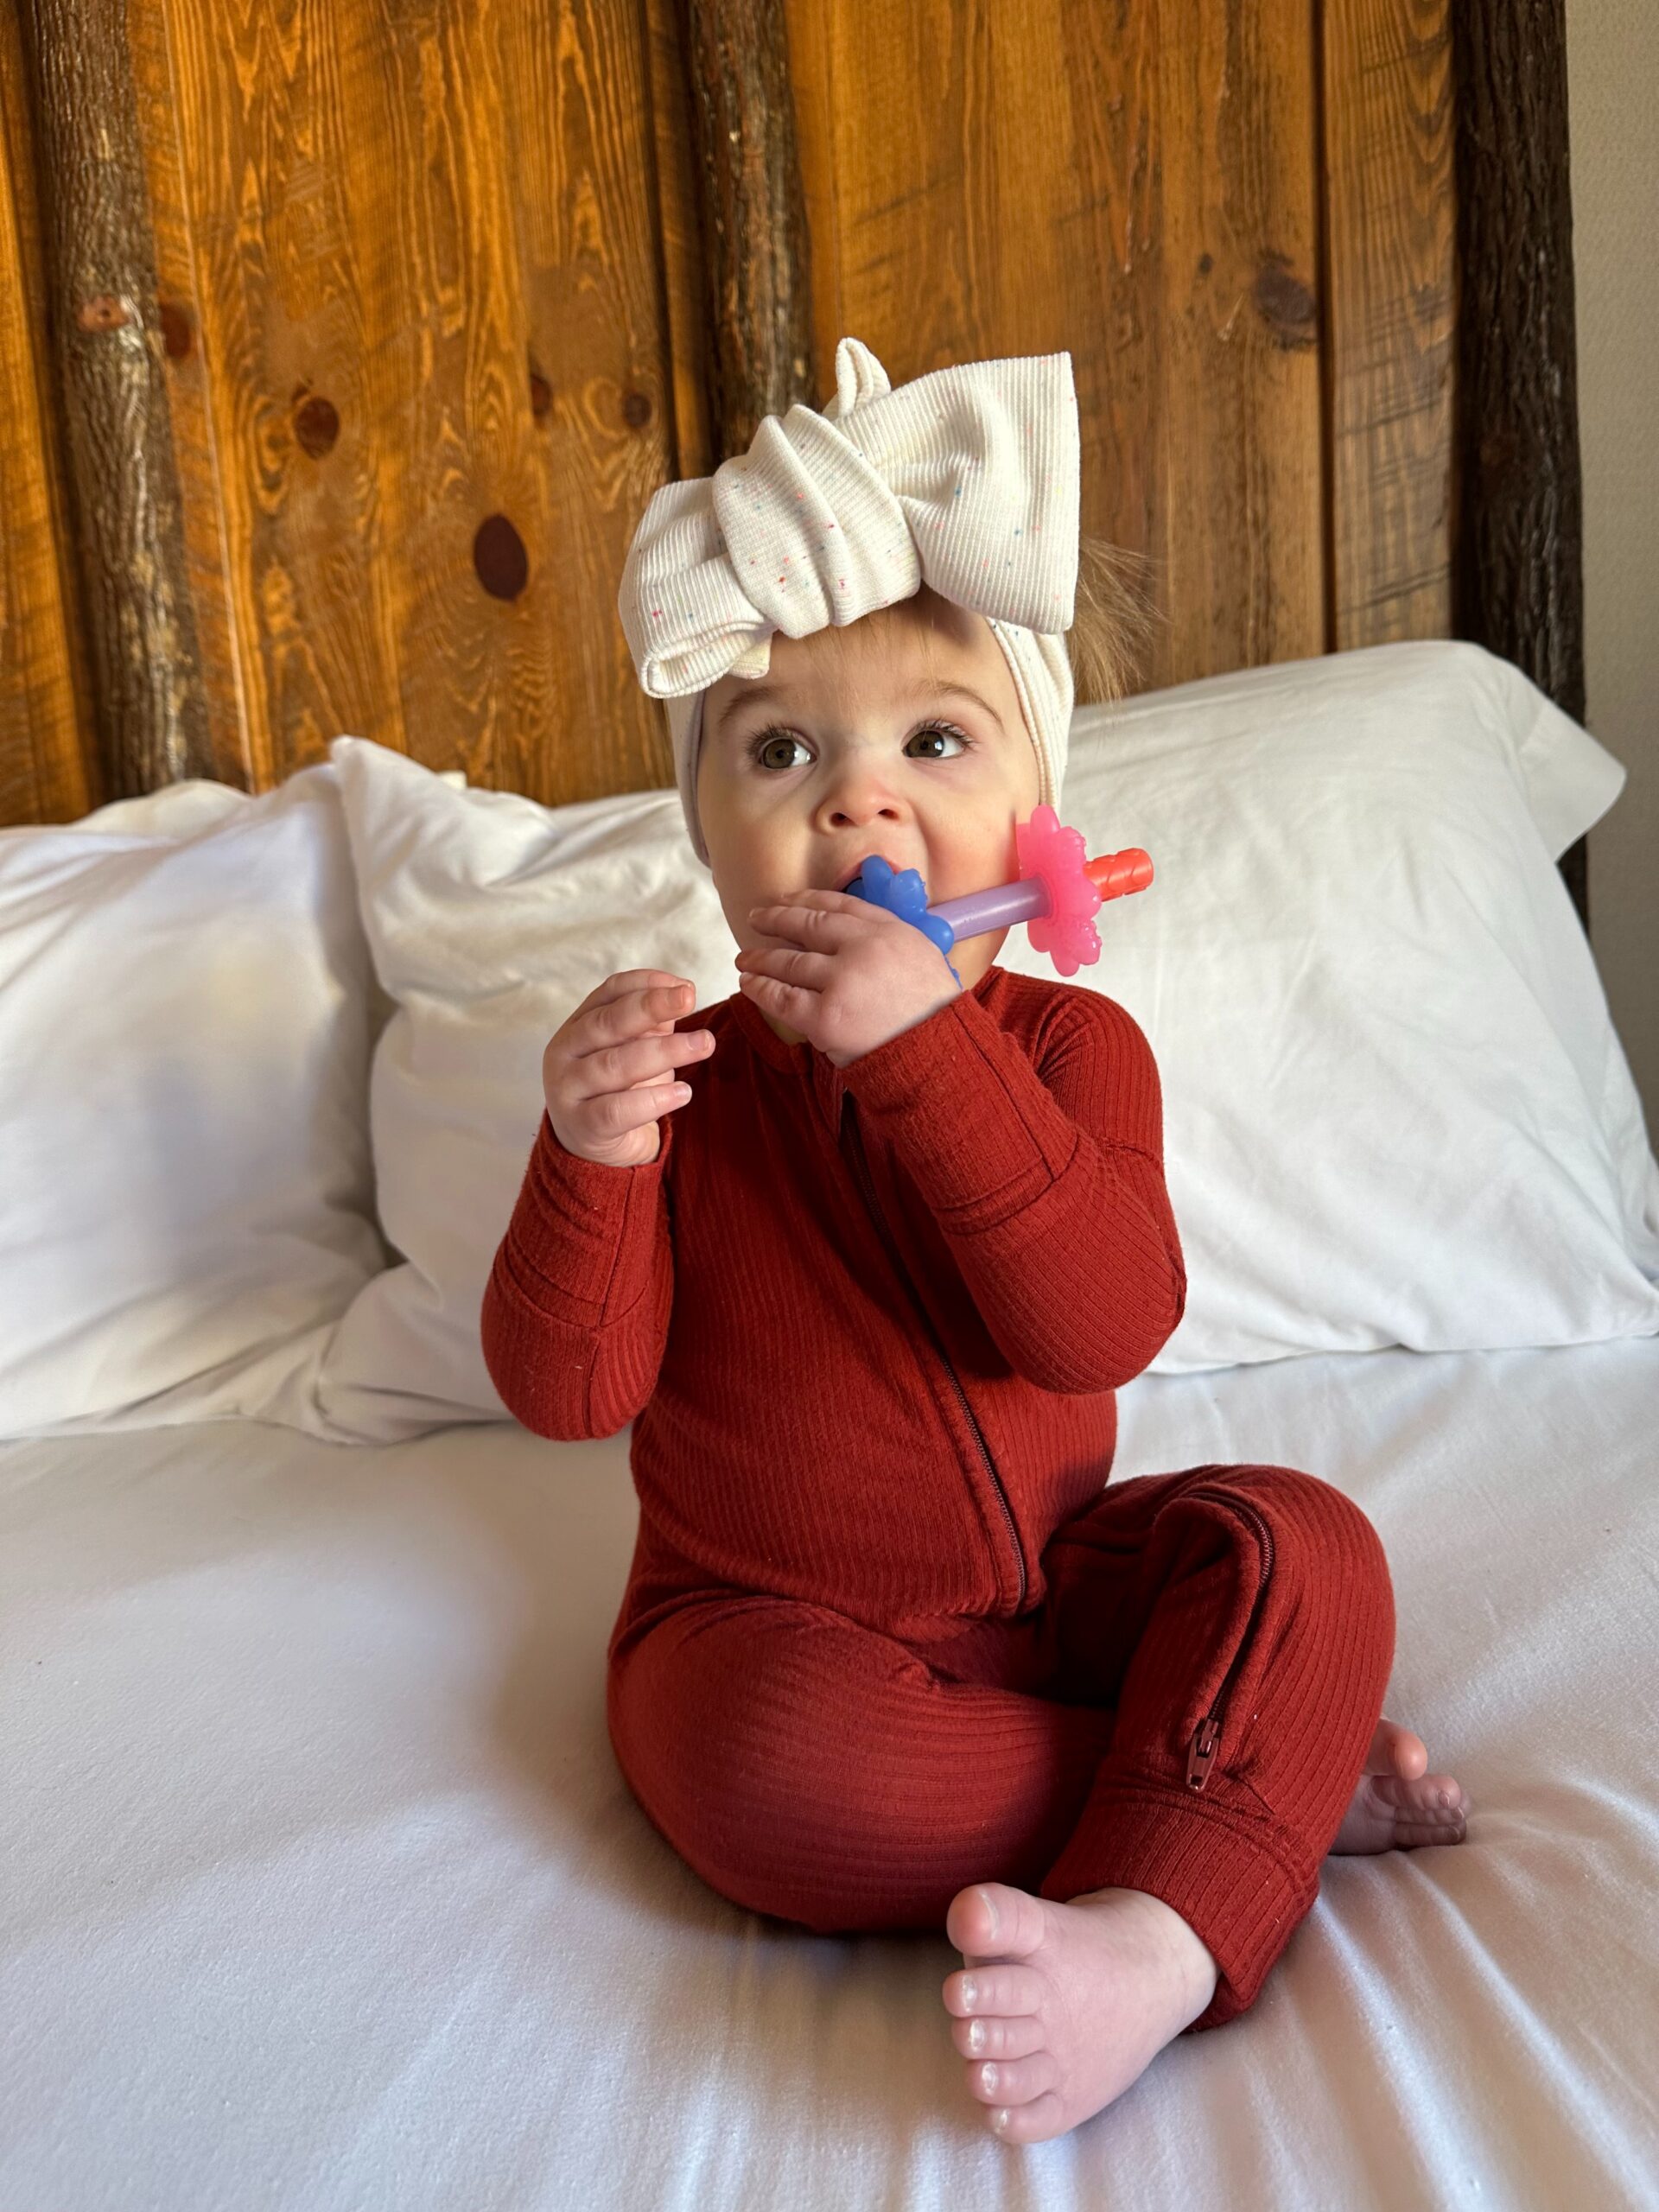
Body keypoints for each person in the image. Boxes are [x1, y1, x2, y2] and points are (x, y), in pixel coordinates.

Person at [481, 337, 1471, 2145]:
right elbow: (568, 1391)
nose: (858, 798)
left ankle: (1161, 1919)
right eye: (781, 750)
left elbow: (1097, 1318)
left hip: (1052, 1585)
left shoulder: (1075, 1049)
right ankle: (1236, 1799)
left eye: (933, 739)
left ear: (1035, 821)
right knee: (763, 1768)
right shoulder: (684, 1088)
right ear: (707, 834)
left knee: (1307, 1543)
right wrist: (584, 1155)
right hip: (766, 1627)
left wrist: (931, 1049)